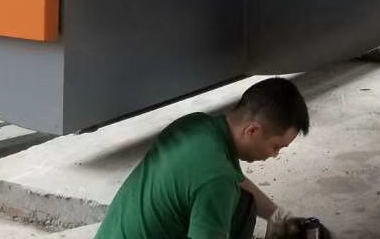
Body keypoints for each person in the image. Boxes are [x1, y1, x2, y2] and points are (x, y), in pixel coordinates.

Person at [96, 77, 311, 239]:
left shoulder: (197, 125)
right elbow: (219, 180)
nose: (275, 155)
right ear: (252, 131)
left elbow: (236, 181)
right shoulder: (218, 181)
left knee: (243, 205)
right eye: (275, 147)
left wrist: (278, 216)